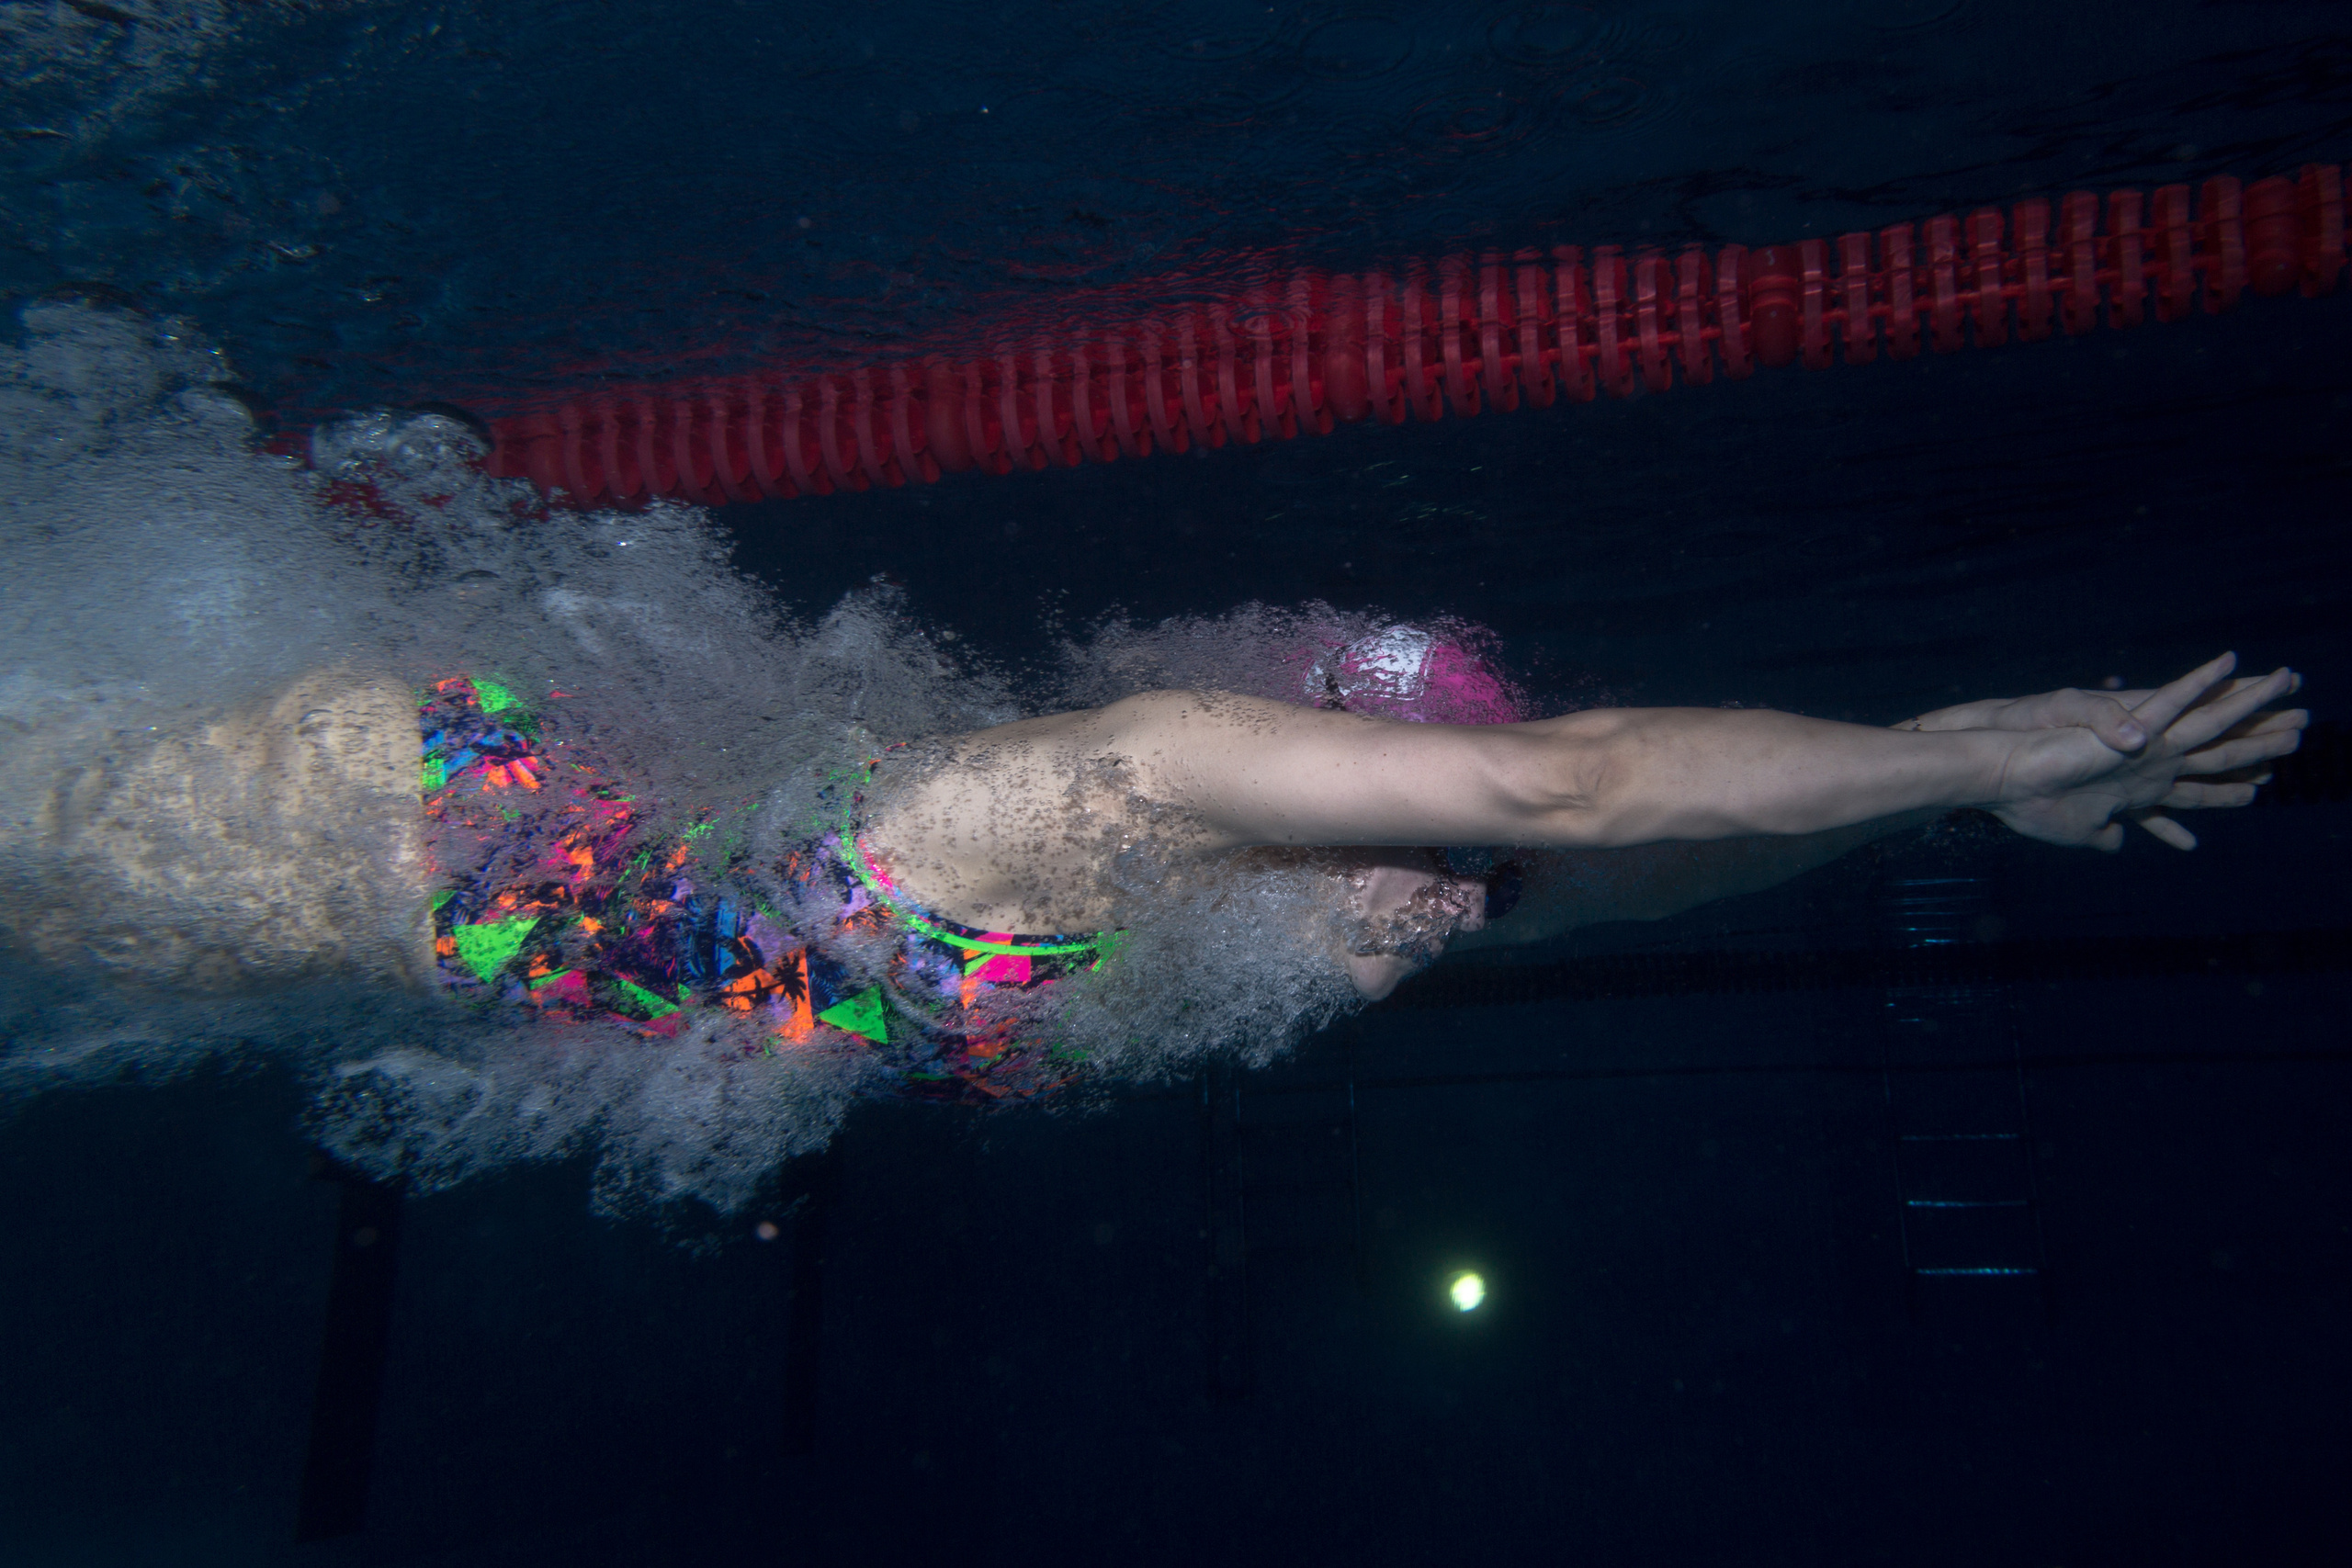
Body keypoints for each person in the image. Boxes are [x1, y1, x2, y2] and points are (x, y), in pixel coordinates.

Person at [7, 625, 2303, 1107]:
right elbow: (1570, 795)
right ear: (1345, 797)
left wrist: (1906, 813)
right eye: (1419, 864)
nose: (1438, 911)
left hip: (439, 896)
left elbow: (1607, 872)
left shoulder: (1214, 919)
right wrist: (1950, 736)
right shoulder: (1124, 786)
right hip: (385, 833)